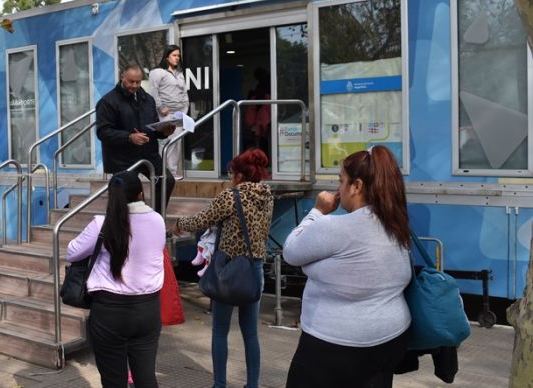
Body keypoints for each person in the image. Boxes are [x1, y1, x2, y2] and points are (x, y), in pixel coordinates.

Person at [282, 145, 412, 388]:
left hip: (335, 346)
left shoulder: (334, 226)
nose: (338, 189)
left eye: (341, 180)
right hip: (391, 339)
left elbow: (291, 251)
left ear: (357, 186)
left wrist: (317, 212)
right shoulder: (395, 222)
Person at [171, 148, 274, 388]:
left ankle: (219, 385)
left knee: (220, 330)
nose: (229, 178)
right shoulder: (268, 197)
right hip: (254, 270)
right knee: (250, 334)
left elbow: (201, 220)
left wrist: (178, 224)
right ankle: (253, 385)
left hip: (228, 270)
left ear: (239, 175)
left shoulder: (231, 197)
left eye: (231, 173)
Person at [66, 171, 166, 387]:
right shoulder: (158, 220)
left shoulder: (101, 224)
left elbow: (72, 252)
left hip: (109, 313)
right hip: (148, 310)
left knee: (114, 382)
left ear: (112, 197)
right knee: (147, 378)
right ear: (141, 194)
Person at [96, 64, 176, 214]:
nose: (135, 85)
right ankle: (130, 227)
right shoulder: (108, 102)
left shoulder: (148, 99)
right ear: (122, 78)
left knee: (167, 180)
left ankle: (155, 219)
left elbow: (152, 128)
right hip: (122, 158)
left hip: (148, 154)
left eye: (138, 82)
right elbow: (103, 132)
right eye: (131, 81)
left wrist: (164, 131)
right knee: (132, 192)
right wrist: (129, 137)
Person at [148, 44, 189, 180]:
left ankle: (172, 171)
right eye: (174, 55)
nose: (177, 58)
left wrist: (185, 110)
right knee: (167, 141)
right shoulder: (157, 72)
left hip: (179, 113)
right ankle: (162, 171)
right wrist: (160, 106)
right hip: (165, 113)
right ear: (167, 56)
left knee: (177, 142)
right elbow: (153, 91)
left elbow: (184, 93)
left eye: (178, 56)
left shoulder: (180, 74)